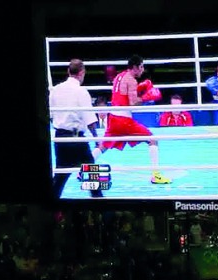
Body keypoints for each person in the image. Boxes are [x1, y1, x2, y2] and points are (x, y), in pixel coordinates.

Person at [100, 55, 171, 185]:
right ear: (135, 67)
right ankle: (156, 175)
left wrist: (140, 89)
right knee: (152, 140)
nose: (143, 70)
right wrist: (146, 97)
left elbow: (122, 95)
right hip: (124, 120)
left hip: (113, 118)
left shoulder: (119, 76)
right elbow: (132, 103)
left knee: (103, 146)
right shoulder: (131, 80)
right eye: (141, 66)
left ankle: (81, 171)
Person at [49, 59, 103, 198]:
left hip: (60, 136)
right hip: (76, 138)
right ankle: (101, 207)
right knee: (91, 172)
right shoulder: (81, 91)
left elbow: (50, 115)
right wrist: (97, 139)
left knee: (60, 176)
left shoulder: (55, 90)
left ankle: (49, 208)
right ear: (82, 73)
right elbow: (90, 119)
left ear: (68, 71)